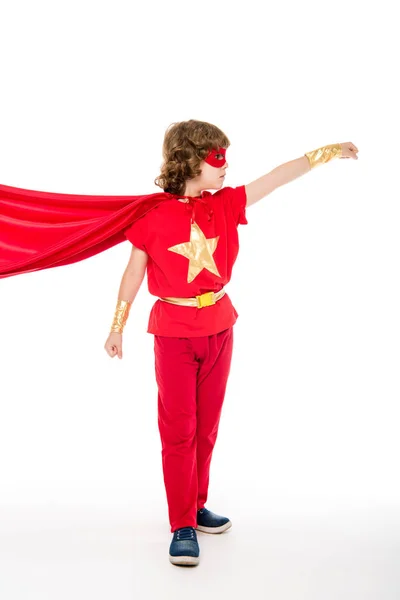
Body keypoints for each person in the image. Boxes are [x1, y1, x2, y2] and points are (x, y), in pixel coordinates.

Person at [0, 118, 359, 567]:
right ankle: (181, 523)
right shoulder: (152, 216)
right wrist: (117, 325)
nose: (225, 167)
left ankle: (196, 505)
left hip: (220, 327)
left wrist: (325, 152)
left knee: (206, 429)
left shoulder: (225, 205)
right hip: (173, 333)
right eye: (217, 158)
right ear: (191, 161)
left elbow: (275, 178)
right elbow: (133, 272)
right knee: (179, 430)